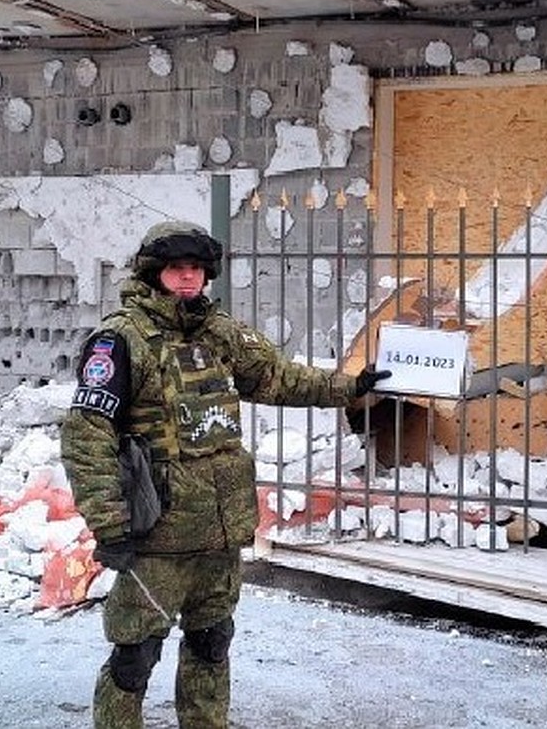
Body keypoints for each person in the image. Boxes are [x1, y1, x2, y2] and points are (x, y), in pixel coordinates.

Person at [60, 220, 390, 729]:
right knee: (134, 656)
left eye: (196, 269)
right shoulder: (120, 341)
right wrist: (109, 524)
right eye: (177, 269)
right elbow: (88, 436)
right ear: (155, 273)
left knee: (212, 643)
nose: (188, 278)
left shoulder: (220, 333)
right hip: (156, 536)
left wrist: (350, 386)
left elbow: (277, 378)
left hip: (218, 533)